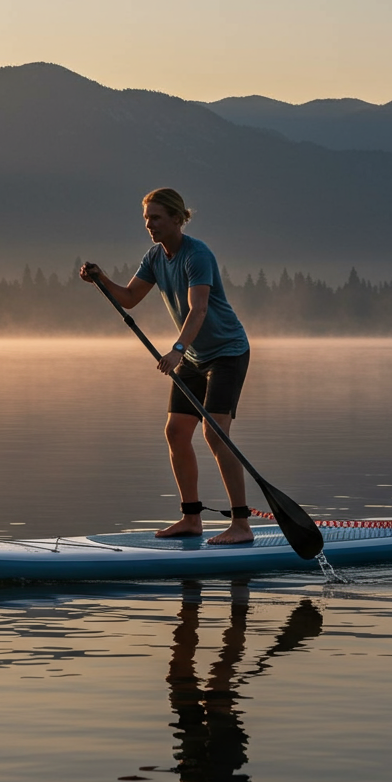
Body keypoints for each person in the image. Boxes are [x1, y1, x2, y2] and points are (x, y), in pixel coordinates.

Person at [80, 188, 254, 544]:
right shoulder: (154, 257)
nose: (150, 225)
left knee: (215, 434)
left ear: (177, 219)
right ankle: (191, 518)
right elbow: (130, 298)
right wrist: (101, 279)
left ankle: (241, 524)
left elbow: (199, 309)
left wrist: (176, 349)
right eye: (146, 219)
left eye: (156, 218)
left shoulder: (197, 255)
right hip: (193, 356)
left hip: (227, 353)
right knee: (175, 432)